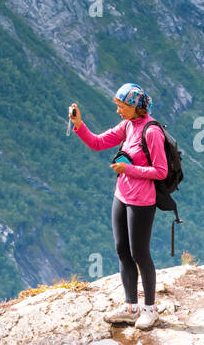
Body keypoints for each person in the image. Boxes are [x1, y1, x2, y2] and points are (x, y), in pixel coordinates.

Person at [70, 83, 167, 329]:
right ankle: (130, 306)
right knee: (123, 251)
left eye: (121, 106)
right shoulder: (127, 126)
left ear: (136, 107)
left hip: (142, 202)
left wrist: (128, 169)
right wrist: (79, 125)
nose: (118, 111)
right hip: (121, 196)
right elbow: (98, 142)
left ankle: (150, 309)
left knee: (140, 254)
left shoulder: (152, 131)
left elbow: (161, 171)